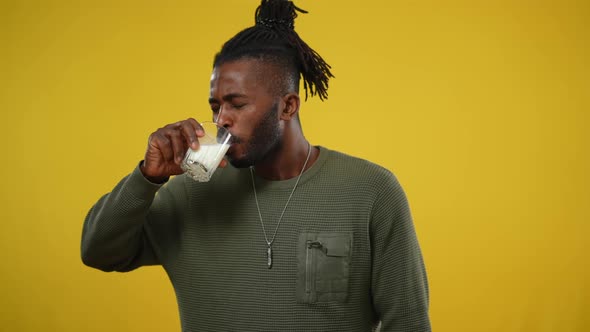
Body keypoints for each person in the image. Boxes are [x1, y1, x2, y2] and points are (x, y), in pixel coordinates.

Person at [81, 0, 431, 331]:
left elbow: (408, 323)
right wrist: (147, 178)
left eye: (236, 104)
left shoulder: (369, 191)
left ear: (287, 107)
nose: (221, 120)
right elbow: (97, 251)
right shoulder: (191, 192)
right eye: (216, 106)